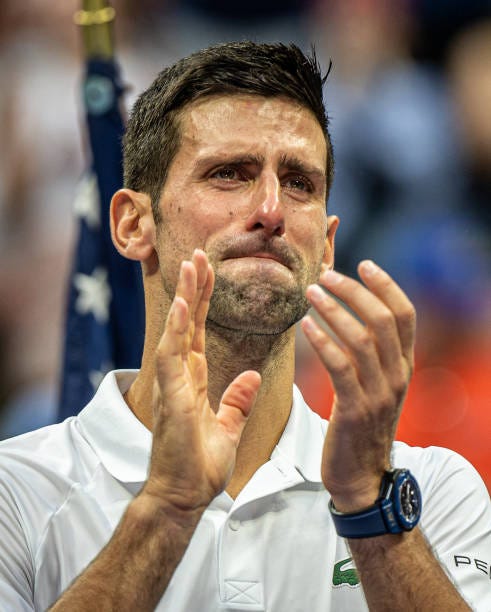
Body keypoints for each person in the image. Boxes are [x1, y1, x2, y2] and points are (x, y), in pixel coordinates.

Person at [0, 42, 489, 611]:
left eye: (300, 182)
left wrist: (368, 506)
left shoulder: (429, 491)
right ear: (134, 224)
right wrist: (166, 509)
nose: (272, 209)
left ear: (327, 247)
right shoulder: (17, 491)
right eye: (229, 174)